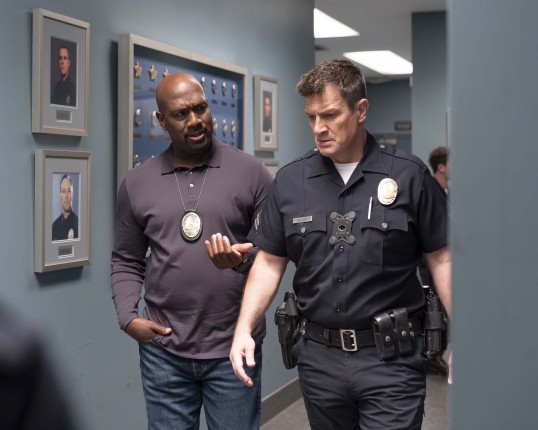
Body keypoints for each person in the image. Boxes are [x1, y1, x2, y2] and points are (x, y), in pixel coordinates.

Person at [230, 59, 452, 430]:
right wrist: (243, 328)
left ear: (360, 110)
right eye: (311, 117)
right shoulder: (291, 182)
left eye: (330, 115)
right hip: (320, 360)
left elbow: (442, 258)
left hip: (392, 359)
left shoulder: (408, 175)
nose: (319, 127)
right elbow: (268, 262)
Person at [111, 72, 273, 430]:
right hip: (163, 352)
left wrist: (240, 262)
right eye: (182, 114)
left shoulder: (252, 173)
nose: (195, 120)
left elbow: (272, 256)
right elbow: (126, 258)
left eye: (201, 108)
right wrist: (128, 316)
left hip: (233, 346)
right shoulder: (137, 183)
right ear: (161, 121)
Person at [419, 145, 450, 376]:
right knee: (435, 308)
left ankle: (436, 353)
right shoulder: (430, 188)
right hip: (431, 261)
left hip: (444, 256)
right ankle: (432, 355)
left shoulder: (445, 191)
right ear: (441, 167)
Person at [52, 175, 78, 241]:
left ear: (72, 195)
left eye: (69, 191)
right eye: (63, 191)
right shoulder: (54, 226)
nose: (66, 196)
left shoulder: (79, 224)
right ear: (60, 196)